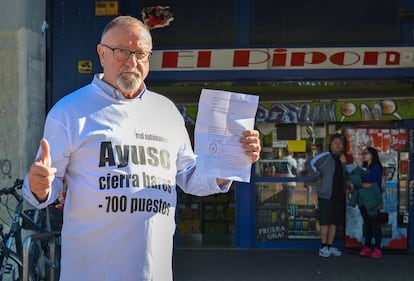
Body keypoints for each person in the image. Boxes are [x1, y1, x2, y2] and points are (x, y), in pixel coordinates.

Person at [22, 16, 261, 281]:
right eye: (121, 51)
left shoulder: (166, 111)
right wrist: (39, 186)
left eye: (140, 54)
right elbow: (46, 189)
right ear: (102, 53)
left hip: (153, 272)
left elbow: (191, 177)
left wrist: (231, 161)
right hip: (90, 272)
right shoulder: (69, 112)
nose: (132, 62)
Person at [309, 134, 347, 258]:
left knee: (334, 223)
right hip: (326, 195)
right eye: (335, 143)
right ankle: (323, 246)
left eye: (340, 143)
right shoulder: (325, 156)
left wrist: (344, 164)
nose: (338, 145)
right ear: (330, 145)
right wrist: (317, 177)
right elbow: (309, 163)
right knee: (325, 221)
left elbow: (348, 174)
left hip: (339, 194)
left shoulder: (343, 158)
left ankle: (329, 246)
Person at [348, 147, 383, 258]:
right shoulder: (362, 167)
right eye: (363, 153)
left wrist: (359, 181)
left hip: (372, 199)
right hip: (362, 199)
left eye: (366, 153)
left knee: (375, 224)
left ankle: (377, 248)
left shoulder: (376, 167)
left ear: (373, 154)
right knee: (367, 224)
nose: (364, 155)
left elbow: (368, 179)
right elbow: (355, 179)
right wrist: (360, 182)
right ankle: (367, 247)